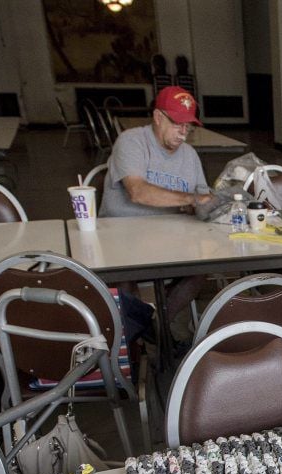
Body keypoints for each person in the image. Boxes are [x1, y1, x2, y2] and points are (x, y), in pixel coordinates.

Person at [100, 86, 215, 331]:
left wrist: (211, 203)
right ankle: (138, 337)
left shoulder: (190, 154)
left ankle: (154, 326)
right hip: (120, 234)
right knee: (125, 273)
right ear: (158, 117)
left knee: (205, 266)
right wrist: (192, 199)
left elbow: (203, 197)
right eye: (177, 124)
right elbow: (137, 191)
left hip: (170, 237)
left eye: (189, 126)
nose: (183, 133)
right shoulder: (131, 141)